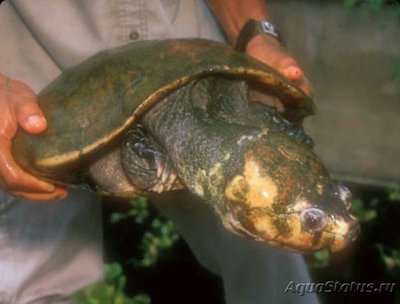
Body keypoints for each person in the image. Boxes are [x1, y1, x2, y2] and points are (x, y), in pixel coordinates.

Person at [0, 1, 318, 303]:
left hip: (184, 44)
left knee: (277, 267)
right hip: (33, 59)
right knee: (34, 280)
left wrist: (255, 31)